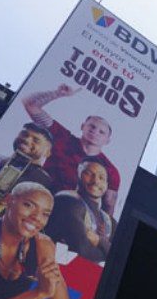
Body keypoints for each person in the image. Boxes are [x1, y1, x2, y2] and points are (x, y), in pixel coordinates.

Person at [22, 84, 121, 215]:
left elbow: (108, 207)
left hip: (70, 215)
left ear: (107, 141)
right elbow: (30, 104)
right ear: (82, 126)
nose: (95, 132)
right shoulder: (63, 137)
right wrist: (57, 93)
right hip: (36, 200)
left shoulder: (111, 171)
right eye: (92, 126)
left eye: (101, 132)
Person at [47, 158, 117, 263]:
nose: (96, 181)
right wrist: (107, 250)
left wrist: (98, 240)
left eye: (101, 178)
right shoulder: (67, 201)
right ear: (77, 175)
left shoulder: (110, 221)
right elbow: (82, 250)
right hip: (55, 266)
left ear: (106, 184)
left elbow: (119, 254)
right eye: (88, 174)